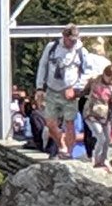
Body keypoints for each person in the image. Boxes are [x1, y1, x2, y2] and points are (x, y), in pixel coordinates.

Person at [34, 25, 91, 160]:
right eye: (70, 39)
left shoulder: (81, 51)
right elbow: (43, 66)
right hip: (52, 89)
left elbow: (87, 72)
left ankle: (68, 153)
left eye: (75, 40)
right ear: (64, 37)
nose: (73, 42)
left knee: (70, 122)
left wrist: (76, 88)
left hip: (70, 91)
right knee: (50, 122)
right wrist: (39, 87)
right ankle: (61, 142)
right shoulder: (52, 48)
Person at [85, 62, 112, 168]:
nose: (110, 80)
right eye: (109, 77)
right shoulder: (95, 81)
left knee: (107, 139)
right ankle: (96, 159)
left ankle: (104, 159)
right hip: (92, 113)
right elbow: (85, 91)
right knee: (101, 137)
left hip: (106, 115)